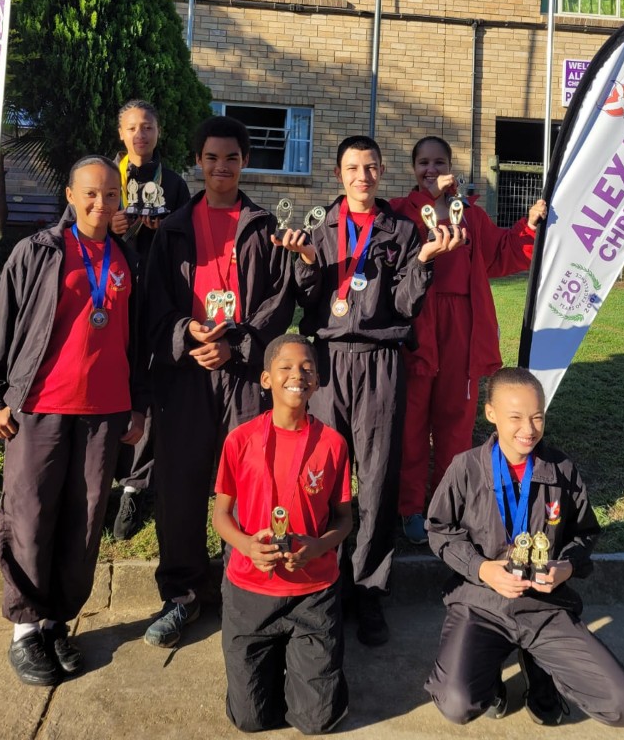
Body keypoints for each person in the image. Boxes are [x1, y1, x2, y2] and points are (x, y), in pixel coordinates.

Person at [276, 134, 465, 647]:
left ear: (381, 172)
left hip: (381, 362)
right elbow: (309, 299)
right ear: (339, 173)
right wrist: (305, 261)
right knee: (323, 477)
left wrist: (423, 260)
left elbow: (404, 305)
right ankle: (325, 581)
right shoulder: (320, 225)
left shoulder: (401, 229)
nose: (363, 176)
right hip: (328, 363)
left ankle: (369, 590)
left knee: (378, 479)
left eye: (371, 167)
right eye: (353, 168)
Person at [0, 156, 146, 686]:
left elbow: (136, 338)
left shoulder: (126, 258)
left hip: (105, 412)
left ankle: (57, 622)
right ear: (70, 197)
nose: (101, 203)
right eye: (91, 194)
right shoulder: (38, 251)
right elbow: (4, 325)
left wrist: (137, 404)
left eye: (111, 194)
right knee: (30, 513)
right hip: (41, 407)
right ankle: (25, 629)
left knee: (85, 517)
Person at [142, 115, 294, 648]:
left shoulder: (264, 226)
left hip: (245, 374)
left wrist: (239, 344)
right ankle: (182, 594)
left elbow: (280, 300)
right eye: (211, 157)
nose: (221, 167)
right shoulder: (173, 228)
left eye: (231, 158)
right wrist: (187, 334)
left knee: (249, 482)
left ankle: (242, 585)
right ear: (198, 161)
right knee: (180, 484)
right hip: (187, 374)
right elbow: (154, 303)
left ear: (245, 161)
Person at [424, 366, 624, 728]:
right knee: (458, 702)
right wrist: (481, 568)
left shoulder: (562, 470)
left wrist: (566, 567)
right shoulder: (465, 468)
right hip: (482, 604)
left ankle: (539, 666)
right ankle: (489, 675)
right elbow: (439, 530)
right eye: (515, 417)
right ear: (491, 413)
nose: (528, 429)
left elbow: (585, 533)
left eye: (537, 416)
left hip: (546, 606)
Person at [391, 135, 546, 545]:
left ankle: (447, 503)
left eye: (439, 163)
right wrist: (429, 206)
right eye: (423, 163)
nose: (431, 170)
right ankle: (410, 506)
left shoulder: (470, 215)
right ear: (413, 169)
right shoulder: (401, 212)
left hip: (462, 325)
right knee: (411, 421)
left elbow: (501, 253)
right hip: (418, 323)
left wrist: (528, 226)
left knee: (455, 422)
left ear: (451, 167)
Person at [213, 334, 352, 734]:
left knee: (317, 721)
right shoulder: (240, 440)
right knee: (250, 718)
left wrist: (318, 546)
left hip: (312, 592)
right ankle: (277, 658)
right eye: (286, 367)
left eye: (307, 368)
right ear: (266, 378)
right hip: (250, 591)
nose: (298, 375)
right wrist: (246, 546)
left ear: (318, 380)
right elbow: (221, 516)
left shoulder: (333, 444)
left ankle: (312, 663)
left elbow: (344, 520)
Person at [110, 99, 191, 541]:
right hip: (111, 296)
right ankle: (110, 472)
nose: (140, 134)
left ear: (158, 132)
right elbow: (81, 228)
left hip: (158, 297)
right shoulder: (108, 179)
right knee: (115, 381)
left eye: (148, 127)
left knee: (152, 385)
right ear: (121, 133)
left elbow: (187, 243)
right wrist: (110, 226)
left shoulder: (174, 184)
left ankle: (136, 485)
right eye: (133, 127)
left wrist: (167, 232)